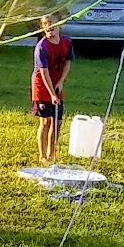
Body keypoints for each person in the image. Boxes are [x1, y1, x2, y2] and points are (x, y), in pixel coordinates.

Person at [31, 12, 73, 164]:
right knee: (45, 121)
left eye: (52, 25)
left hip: (56, 85)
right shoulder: (42, 47)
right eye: (46, 26)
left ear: (59, 25)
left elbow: (68, 61)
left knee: (57, 122)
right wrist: (51, 94)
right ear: (43, 28)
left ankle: (52, 153)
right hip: (42, 86)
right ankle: (42, 155)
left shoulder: (66, 42)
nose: (50, 28)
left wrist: (61, 82)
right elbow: (43, 72)